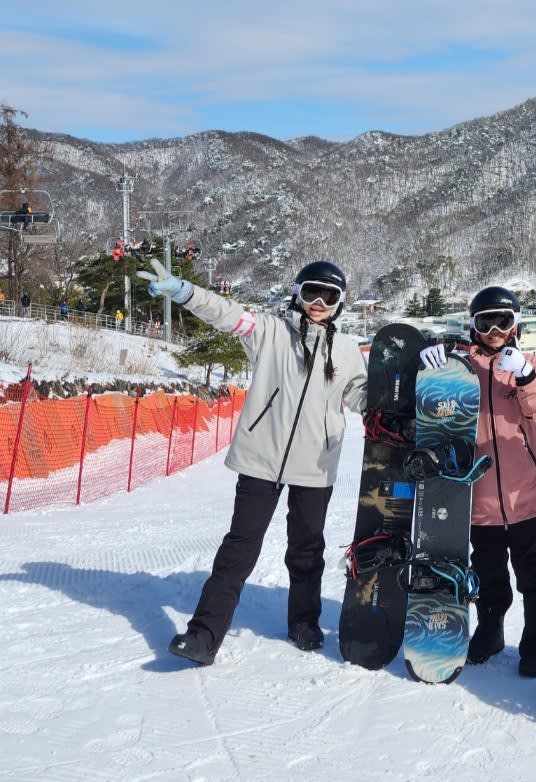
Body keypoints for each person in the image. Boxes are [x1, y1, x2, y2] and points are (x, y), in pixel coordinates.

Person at [136, 257, 368, 665]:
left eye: (328, 295)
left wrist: (403, 395)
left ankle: (304, 622)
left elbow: (362, 398)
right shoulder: (270, 332)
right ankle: (204, 635)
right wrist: (184, 292)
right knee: (239, 549)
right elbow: (227, 315)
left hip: (315, 465)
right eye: (310, 291)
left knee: (307, 548)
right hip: (262, 458)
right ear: (297, 293)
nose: (318, 301)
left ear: (340, 303)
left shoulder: (348, 351)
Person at [419, 286, 536, 678]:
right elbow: (437, 412)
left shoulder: (533, 364)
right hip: (478, 495)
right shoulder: (461, 369)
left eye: (504, 321)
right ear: (474, 326)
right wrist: (433, 374)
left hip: (528, 492)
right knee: (489, 573)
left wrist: (526, 376)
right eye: (486, 321)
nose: (495, 329)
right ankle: (490, 630)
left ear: (515, 324)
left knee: (534, 574)